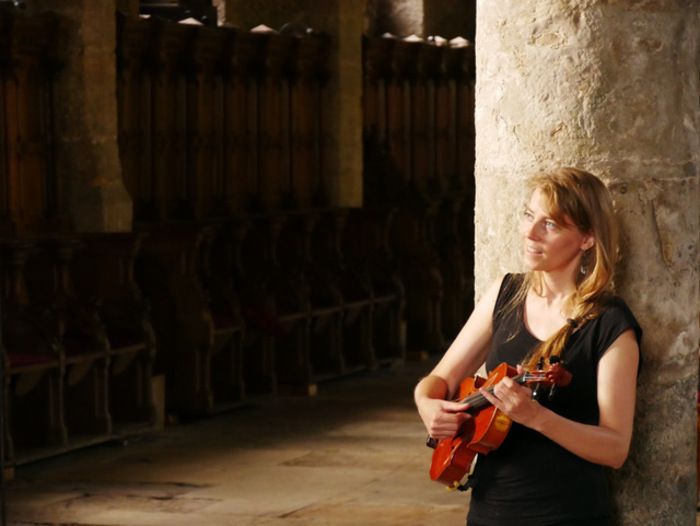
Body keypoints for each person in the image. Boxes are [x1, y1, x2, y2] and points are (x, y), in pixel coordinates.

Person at [414, 167, 642, 526]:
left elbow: (615, 449)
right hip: (490, 511)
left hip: (569, 514)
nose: (529, 232)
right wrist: (426, 404)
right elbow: (440, 377)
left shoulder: (610, 324)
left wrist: (537, 418)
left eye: (549, 224)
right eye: (528, 215)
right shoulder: (504, 294)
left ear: (586, 238)